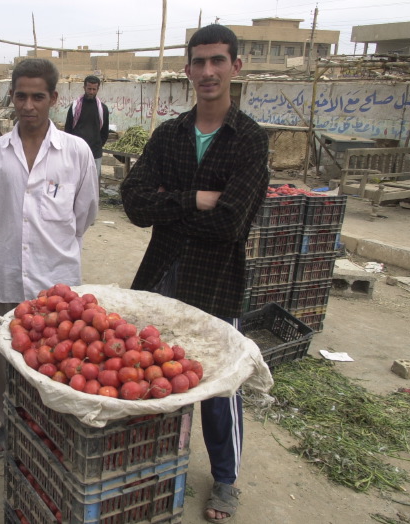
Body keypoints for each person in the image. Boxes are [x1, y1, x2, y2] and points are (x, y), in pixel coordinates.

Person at [120, 24, 269, 524]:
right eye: (199, 62)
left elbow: (231, 223)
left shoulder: (249, 141)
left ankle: (224, 481)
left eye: (218, 61)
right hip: (161, 272)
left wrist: (170, 203)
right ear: (187, 70)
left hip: (217, 277)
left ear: (235, 67)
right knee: (149, 377)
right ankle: (153, 468)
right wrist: (194, 199)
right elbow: (135, 205)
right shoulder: (169, 135)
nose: (208, 71)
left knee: (220, 386)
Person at [0, 58, 99, 458]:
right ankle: (7, 422)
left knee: (61, 358)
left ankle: (53, 423)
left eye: (38, 96)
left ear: (53, 98)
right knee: (5, 355)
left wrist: (57, 243)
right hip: (9, 276)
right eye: (21, 96)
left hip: (58, 280)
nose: (28, 105)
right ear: (11, 97)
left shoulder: (76, 152)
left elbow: (84, 215)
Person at [64, 75, 110, 182]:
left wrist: (97, 144)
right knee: (75, 181)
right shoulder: (75, 107)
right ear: (84, 88)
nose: (91, 92)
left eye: (94, 89)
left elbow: (104, 133)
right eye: (89, 89)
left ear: (98, 89)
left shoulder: (102, 109)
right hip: (76, 152)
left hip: (95, 152)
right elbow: (68, 130)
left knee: (93, 182)